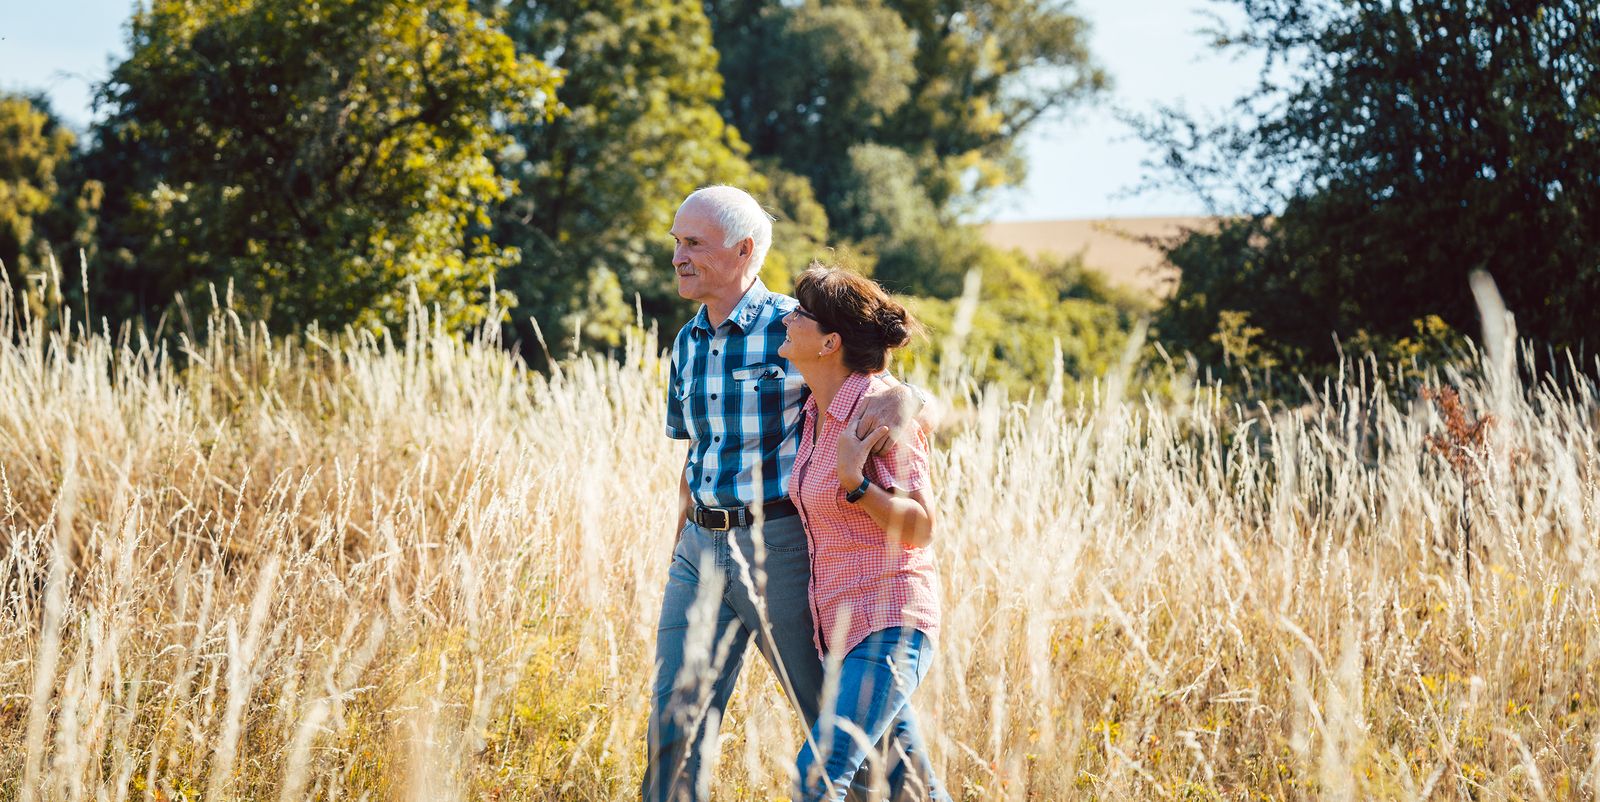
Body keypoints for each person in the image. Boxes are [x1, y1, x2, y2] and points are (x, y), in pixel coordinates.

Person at [644, 186, 930, 802]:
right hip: (699, 548)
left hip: (782, 548)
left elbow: (881, 380)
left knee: (834, 722)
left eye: (693, 243)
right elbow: (695, 454)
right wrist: (679, 547)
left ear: (744, 250)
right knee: (675, 724)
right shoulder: (685, 344)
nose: (678, 256)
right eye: (676, 242)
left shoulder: (795, 325)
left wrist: (903, 399)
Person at [777, 264, 949, 802]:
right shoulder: (812, 408)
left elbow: (920, 527)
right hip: (841, 629)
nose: (787, 315)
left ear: (830, 342)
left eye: (800, 312)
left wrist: (855, 482)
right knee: (911, 789)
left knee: (817, 777)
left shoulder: (877, 413)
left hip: (890, 621)